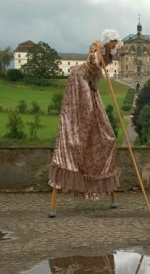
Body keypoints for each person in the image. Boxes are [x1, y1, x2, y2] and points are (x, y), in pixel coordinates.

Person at [48, 29, 122, 203]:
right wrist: (99, 52)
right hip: (79, 84)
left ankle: (105, 188)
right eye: (112, 42)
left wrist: (116, 48)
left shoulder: (108, 53)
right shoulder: (95, 50)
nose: (115, 46)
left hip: (91, 87)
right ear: (106, 42)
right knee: (80, 129)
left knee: (106, 136)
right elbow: (94, 62)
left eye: (115, 43)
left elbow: (109, 57)